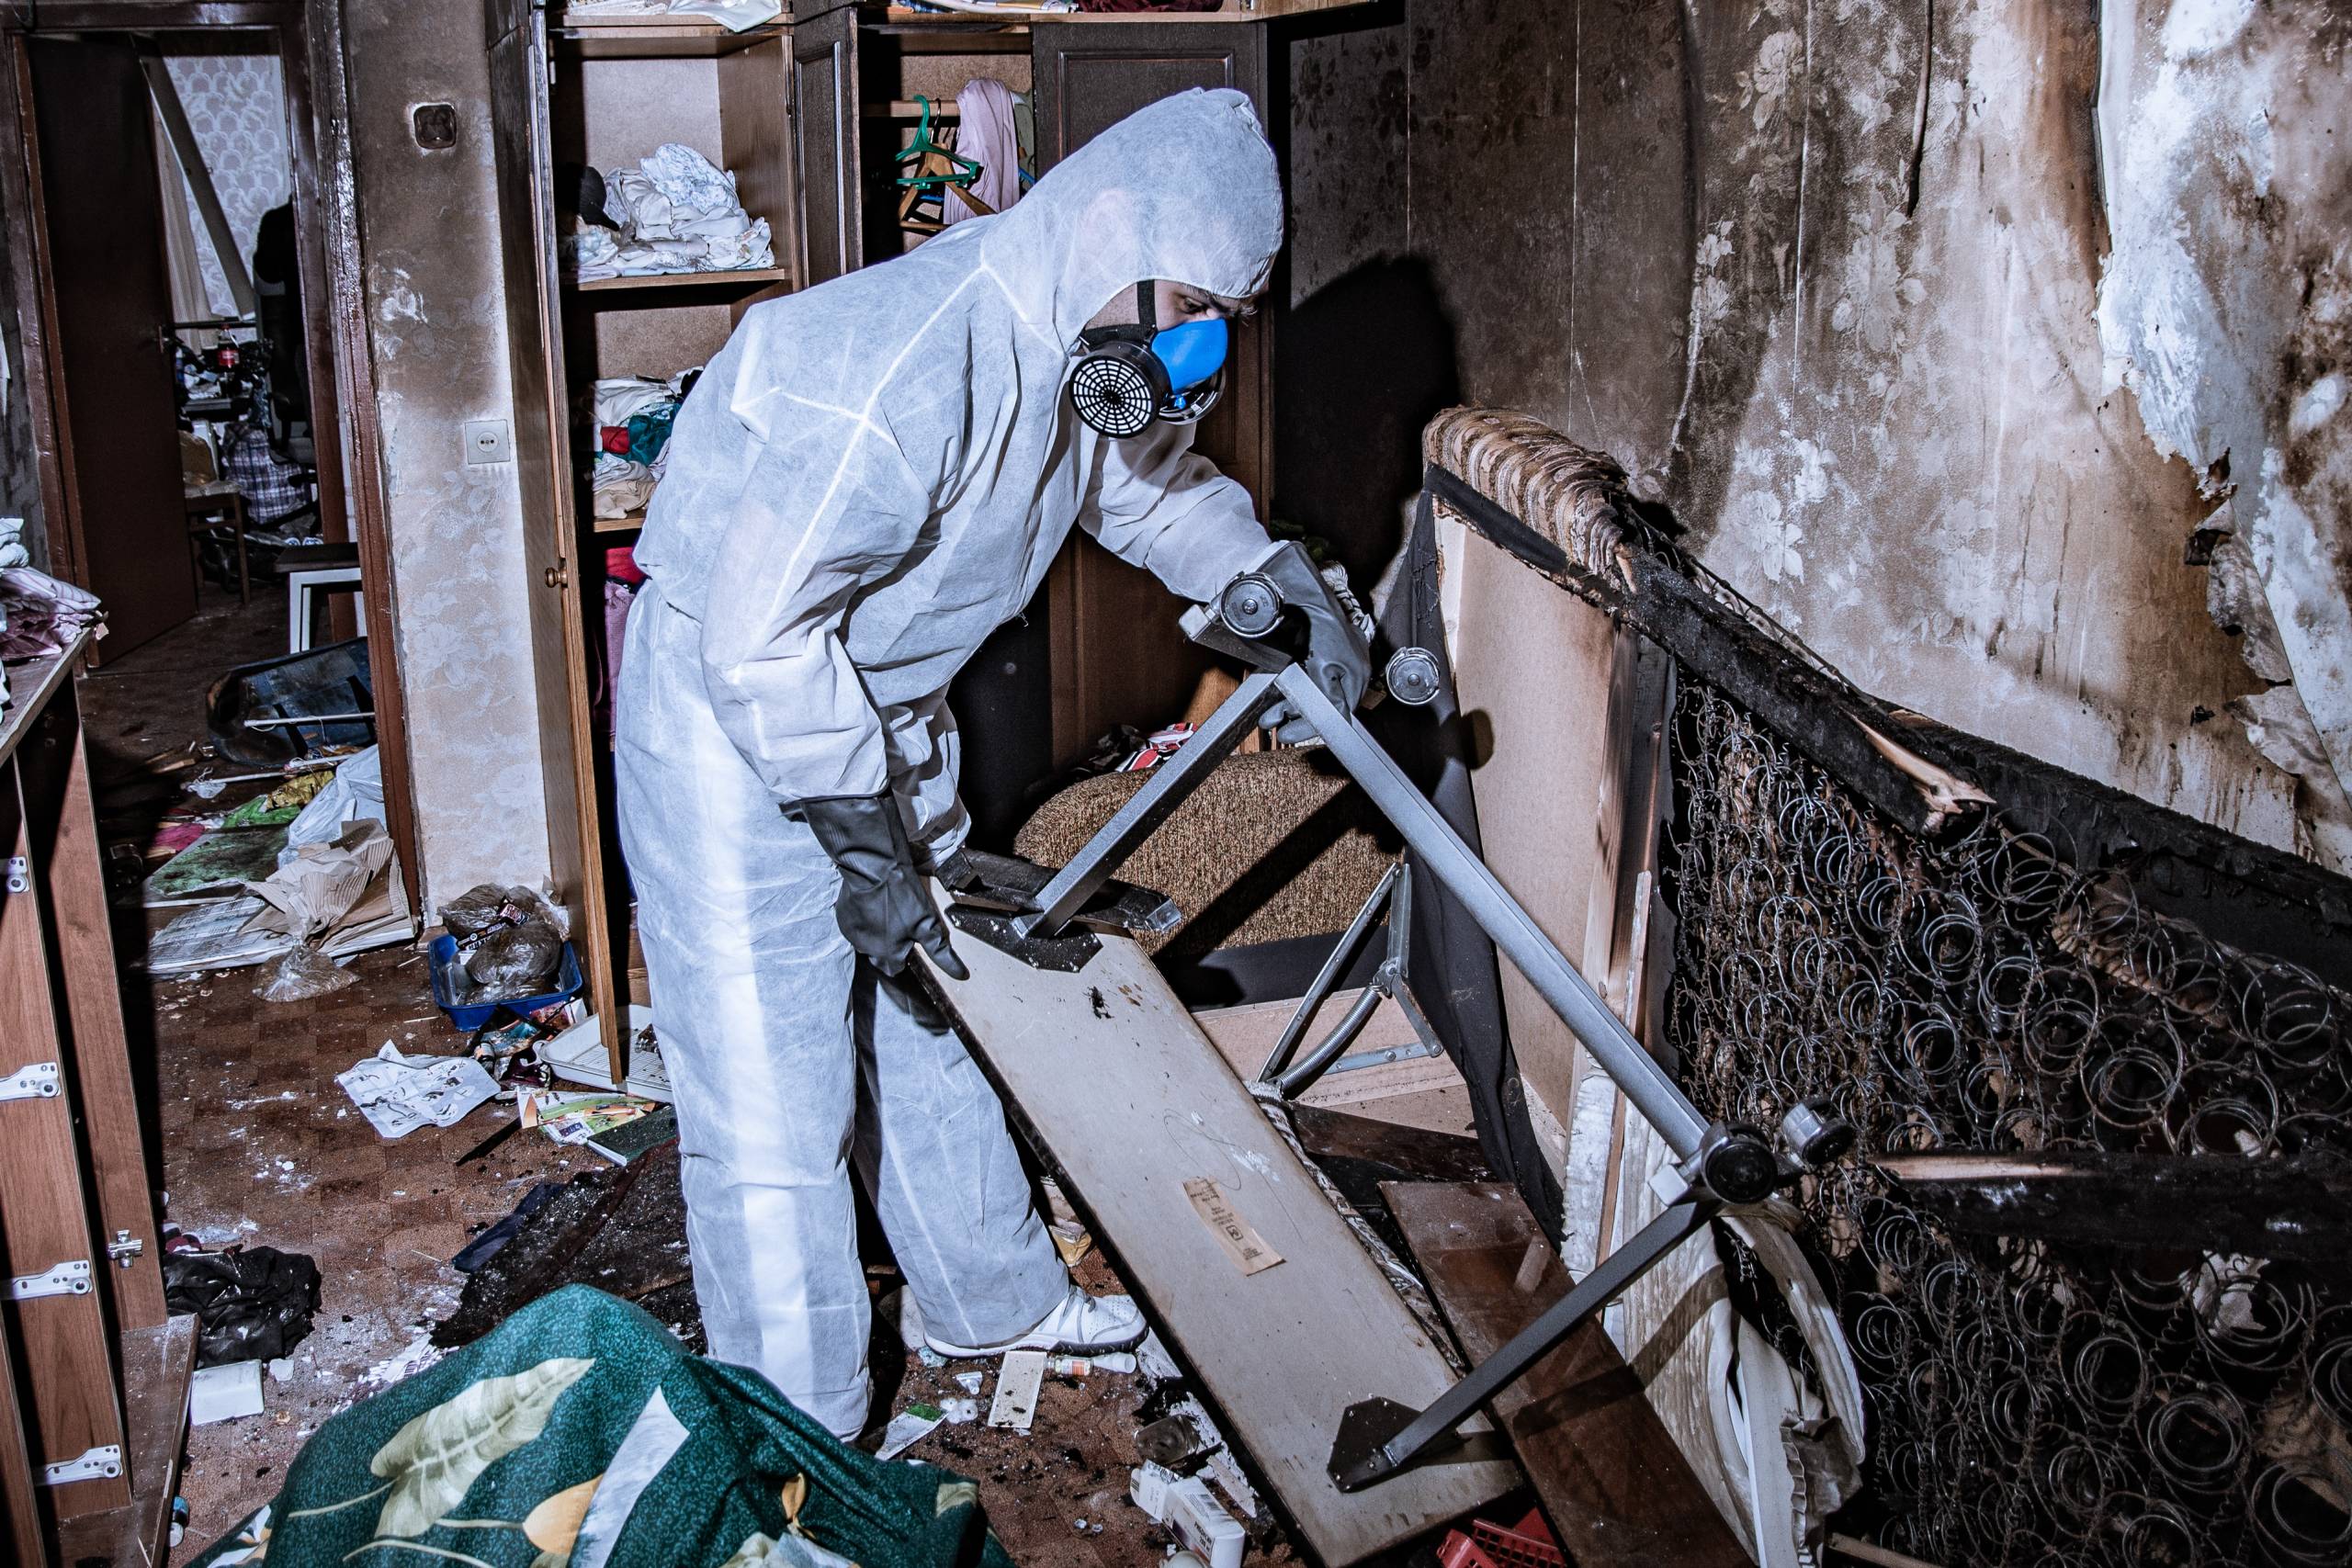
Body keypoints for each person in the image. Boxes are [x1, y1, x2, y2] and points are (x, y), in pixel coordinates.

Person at [614, 89, 1370, 1439]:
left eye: (1229, 317)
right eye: (1193, 300)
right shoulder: (897, 364)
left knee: (942, 1007)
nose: (1200, 346)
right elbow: (761, 638)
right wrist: (860, 848)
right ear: (1107, 230)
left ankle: (987, 1300)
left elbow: (1146, 490)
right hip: (736, 728)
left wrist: (1262, 573)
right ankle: (803, 1437)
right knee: (776, 1100)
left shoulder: (1092, 333)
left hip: (888, 707)